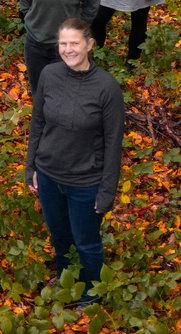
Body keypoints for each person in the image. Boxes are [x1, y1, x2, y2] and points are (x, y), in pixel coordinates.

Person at [25, 18, 124, 307]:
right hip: (49, 175)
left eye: (74, 43)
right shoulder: (49, 74)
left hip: (86, 182)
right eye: (63, 43)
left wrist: (107, 192)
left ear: (90, 45)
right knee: (60, 235)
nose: (68, 49)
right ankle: (66, 277)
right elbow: (38, 122)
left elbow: (113, 144)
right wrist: (31, 166)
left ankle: (92, 292)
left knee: (87, 242)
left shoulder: (107, 88)